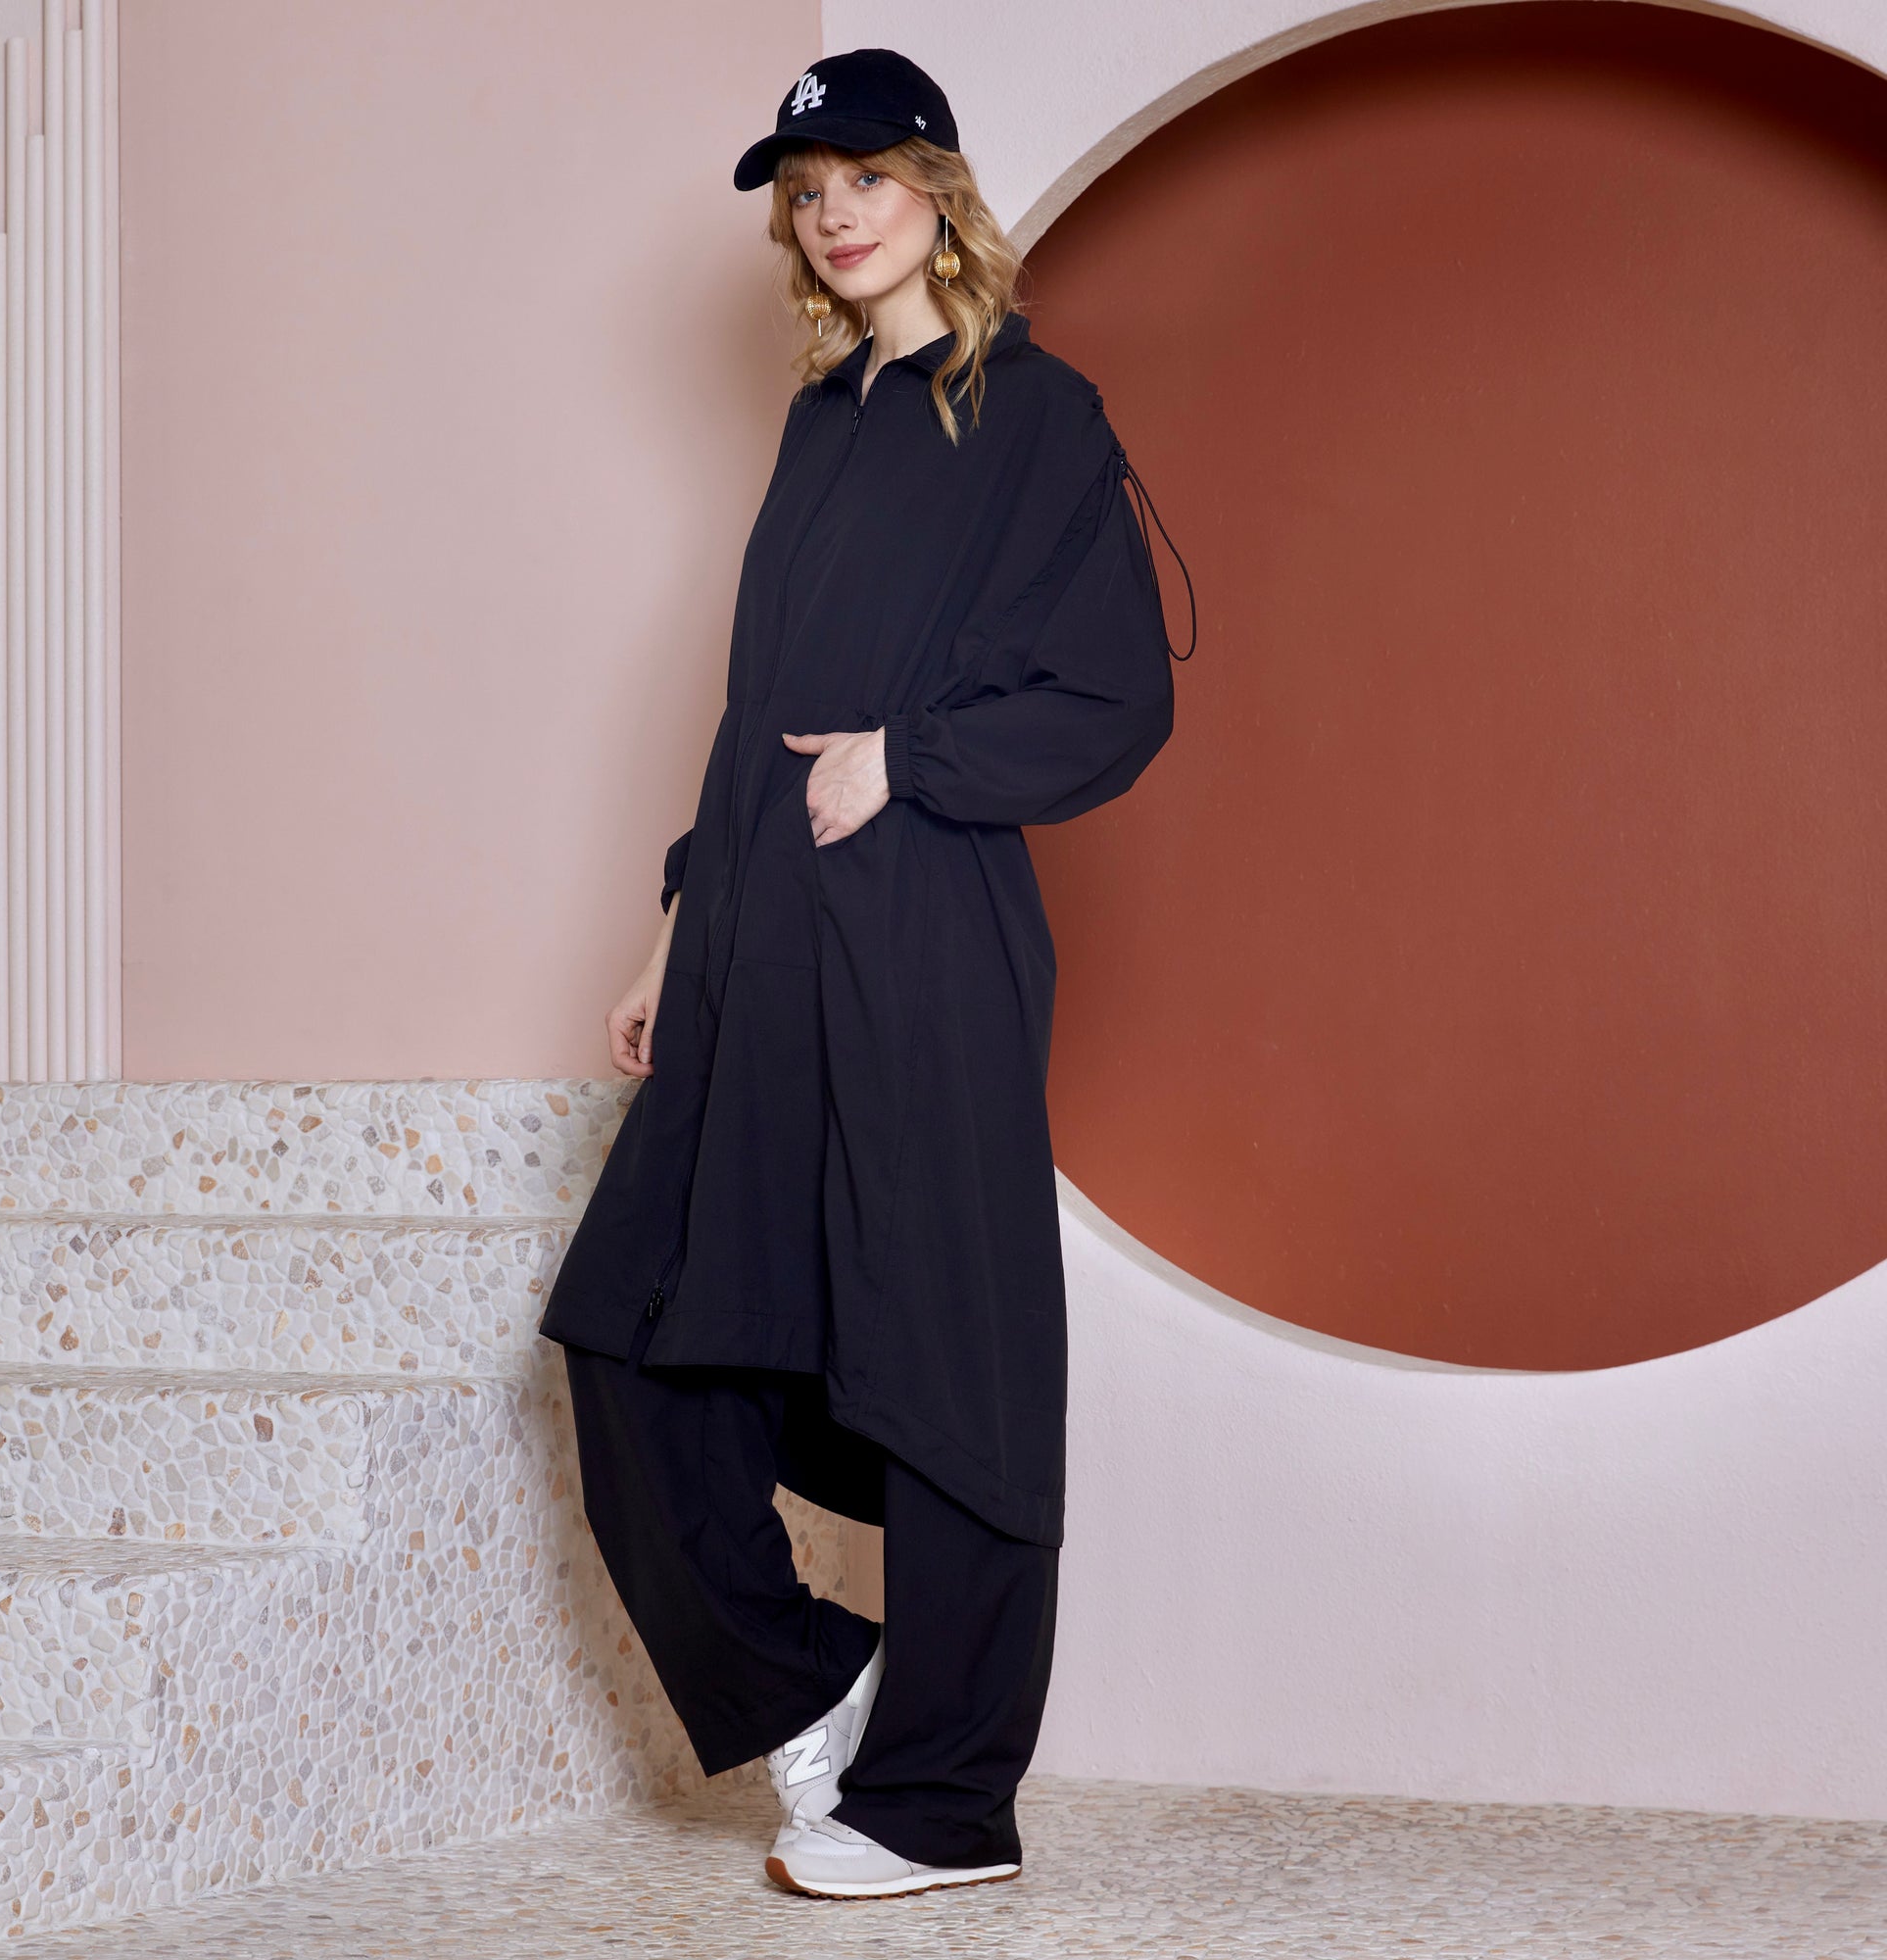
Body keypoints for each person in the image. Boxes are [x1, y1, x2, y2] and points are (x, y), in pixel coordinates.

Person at [538, 45, 1192, 1901]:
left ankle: (946, 1803)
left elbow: (1116, 696)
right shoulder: (824, 419)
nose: (834, 216)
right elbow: (756, 702)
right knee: (631, 1331)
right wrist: (680, 917)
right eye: (808, 192)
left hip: (920, 937)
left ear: (940, 193)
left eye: (867, 179)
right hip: (754, 942)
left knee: (945, 1359)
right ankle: (820, 1682)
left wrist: (912, 761)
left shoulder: (1038, 414)